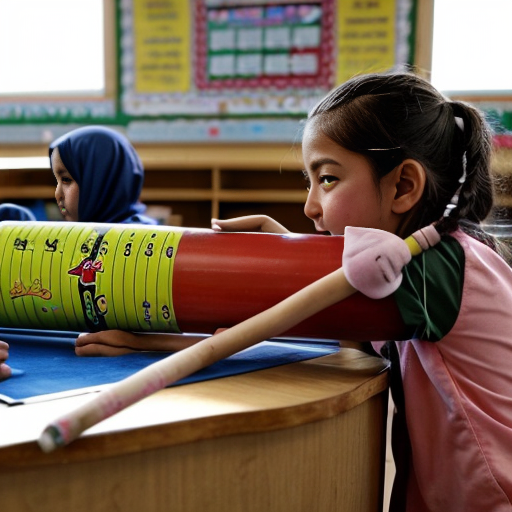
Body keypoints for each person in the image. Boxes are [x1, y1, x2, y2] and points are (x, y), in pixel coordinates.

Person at [69, 72, 512, 511]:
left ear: (403, 186)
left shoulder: (432, 269)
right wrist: (284, 250)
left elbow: (271, 325)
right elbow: (319, 325)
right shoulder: (444, 257)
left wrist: (150, 342)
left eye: (328, 179)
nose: (310, 206)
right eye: (309, 180)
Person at [49, 126, 157, 225]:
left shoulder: (144, 240)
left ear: (99, 181)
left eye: (66, 179)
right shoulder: (74, 234)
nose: (57, 194)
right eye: (56, 181)